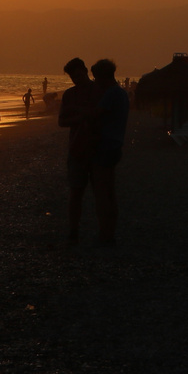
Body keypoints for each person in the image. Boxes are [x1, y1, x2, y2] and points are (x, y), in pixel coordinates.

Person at [57, 57, 101, 246]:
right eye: (72, 78)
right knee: (76, 192)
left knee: (101, 192)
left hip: (99, 148)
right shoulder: (69, 95)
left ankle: (104, 231)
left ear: (85, 70)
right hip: (76, 148)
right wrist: (79, 117)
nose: (76, 80)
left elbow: (103, 116)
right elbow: (62, 122)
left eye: (78, 75)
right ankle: (73, 231)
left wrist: (81, 113)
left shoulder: (99, 91)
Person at [89, 58, 129, 247]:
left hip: (105, 146)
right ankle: (109, 232)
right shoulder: (120, 93)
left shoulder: (111, 94)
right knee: (109, 191)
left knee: (102, 191)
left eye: (96, 78)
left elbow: (95, 115)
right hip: (115, 145)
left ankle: (105, 233)